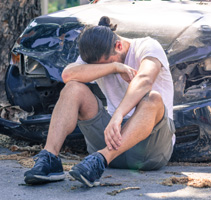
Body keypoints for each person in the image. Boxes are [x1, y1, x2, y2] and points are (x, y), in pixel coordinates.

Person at [24, 16, 175, 187]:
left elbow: (145, 79)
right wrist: (113, 67)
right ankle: (50, 158)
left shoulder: (148, 46)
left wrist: (119, 114)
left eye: (108, 63)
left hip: (150, 150)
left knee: (153, 98)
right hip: (110, 138)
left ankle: (101, 159)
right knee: (73, 87)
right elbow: (67, 75)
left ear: (119, 46)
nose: (104, 69)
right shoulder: (98, 54)